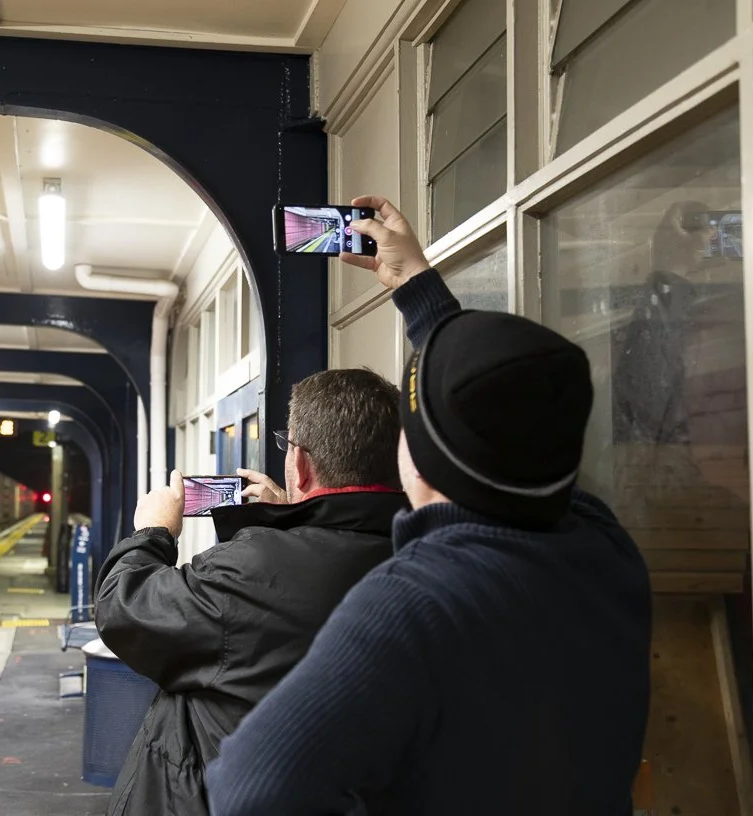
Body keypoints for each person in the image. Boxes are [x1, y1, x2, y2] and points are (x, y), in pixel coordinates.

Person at [205, 196, 653, 816]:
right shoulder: (604, 548)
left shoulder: (414, 602)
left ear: (417, 456)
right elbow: (512, 422)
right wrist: (416, 287)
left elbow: (249, 788)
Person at [93, 368, 409, 816]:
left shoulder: (249, 570)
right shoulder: (427, 557)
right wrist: (292, 520)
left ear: (299, 465)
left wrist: (153, 532)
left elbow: (124, 609)